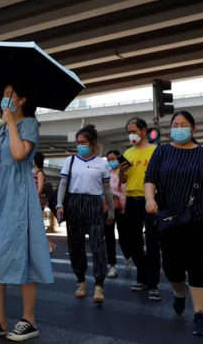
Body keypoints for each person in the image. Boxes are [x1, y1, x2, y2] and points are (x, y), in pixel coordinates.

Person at [0, 84, 53, 342]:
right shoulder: (4, 126)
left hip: (20, 194)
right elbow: (1, 161)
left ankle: (29, 320)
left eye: (9, 95)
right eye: (3, 94)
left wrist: (11, 123)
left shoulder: (29, 124)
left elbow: (18, 155)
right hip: (0, 195)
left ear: (23, 99)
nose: (4, 99)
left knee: (24, 252)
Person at [144, 111, 203, 337]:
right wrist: (150, 199)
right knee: (172, 267)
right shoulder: (162, 151)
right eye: (175, 124)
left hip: (201, 218)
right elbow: (150, 178)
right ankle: (179, 292)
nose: (179, 128)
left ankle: (200, 315)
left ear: (194, 128)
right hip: (169, 218)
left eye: (184, 124)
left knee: (198, 266)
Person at [56, 125, 116, 303]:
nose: (80, 145)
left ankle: (99, 285)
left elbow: (107, 189)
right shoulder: (70, 161)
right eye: (78, 142)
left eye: (84, 142)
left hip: (94, 205)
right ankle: (81, 281)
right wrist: (60, 204)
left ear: (93, 143)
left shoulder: (102, 163)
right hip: (74, 203)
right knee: (75, 245)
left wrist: (111, 210)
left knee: (98, 245)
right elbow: (63, 184)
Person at [118, 117, 161, 301]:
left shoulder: (156, 151)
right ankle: (142, 277)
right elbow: (123, 180)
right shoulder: (128, 152)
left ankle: (153, 284)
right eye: (129, 132)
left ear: (144, 131)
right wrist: (122, 170)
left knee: (152, 243)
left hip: (151, 200)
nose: (131, 135)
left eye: (134, 131)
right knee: (132, 242)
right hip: (132, 200)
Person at [104, 150, 130, 278]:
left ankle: (128, 256)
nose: (110, 161)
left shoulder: (126, 174)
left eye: (113, 158)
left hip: (123, 211)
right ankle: (112, 266)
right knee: (109, 239)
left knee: (124, 238)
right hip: (109, 210)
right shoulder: (106, 174)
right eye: (108, 159)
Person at [33, 151, 56, 253]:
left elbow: (40, 188)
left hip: (37, 202)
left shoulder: (40, 173)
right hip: (35, 201)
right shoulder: (35, 172)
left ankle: (49, 244)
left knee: (36, 225)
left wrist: (32, 197)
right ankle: (47, 244)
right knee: (35, 225)